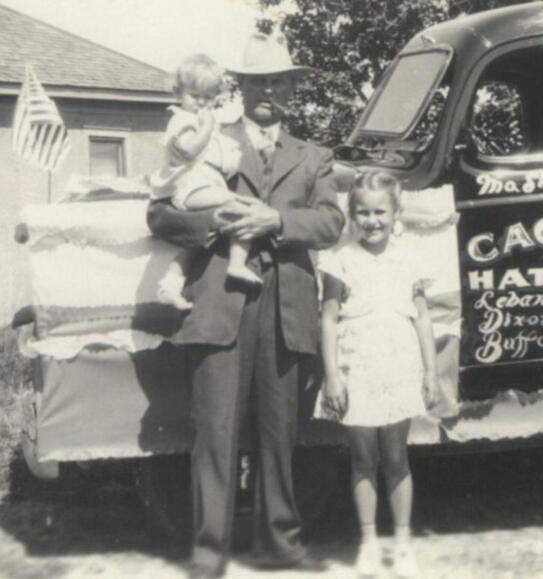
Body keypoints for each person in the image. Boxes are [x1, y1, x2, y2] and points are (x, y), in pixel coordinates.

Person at [147, 31, 345, 578]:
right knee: (214, 435)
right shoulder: (208, 138)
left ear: (291, 90)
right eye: (260, 81)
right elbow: (160, 215)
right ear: (243, 85)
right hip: (221, 304)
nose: (270, 91)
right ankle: (210, 552)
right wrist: (219, 221)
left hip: (286, 312)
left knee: (280, 436)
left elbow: (332, 222)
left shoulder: (314, 156)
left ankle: (281, 544)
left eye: (280, 82)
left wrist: (277, 221)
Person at [314, 170, 438, 579]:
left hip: (399, 364)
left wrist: (431, 373)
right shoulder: (340, 260)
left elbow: (422, 318)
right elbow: (329, 320)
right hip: (358, 365)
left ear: (396, 212)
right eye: (363, 213)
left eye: (380, 212)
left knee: (397, 456)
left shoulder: (410, 258)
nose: (373, 221)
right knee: (363, 458)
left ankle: (402, 545)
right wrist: (333, 375)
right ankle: (368, 542)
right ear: (352, 215)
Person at [150, 54, 261, 311]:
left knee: (198, 242)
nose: (201, 103)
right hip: (188, 187)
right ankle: (236, 264)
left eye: (208, 98)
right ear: (179, 94)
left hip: (203, 184)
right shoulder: (181, 120)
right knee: (244, 204)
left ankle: (170, 285)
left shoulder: (204, 122)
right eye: (194, 95)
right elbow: (188, 152)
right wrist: (207, 127)